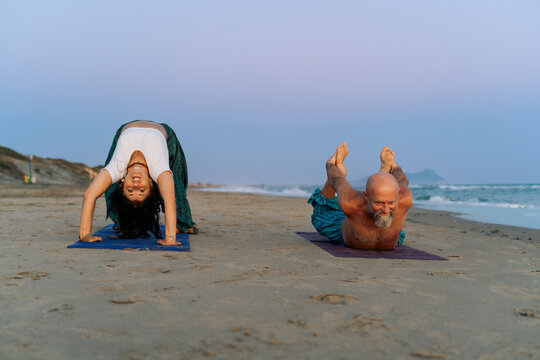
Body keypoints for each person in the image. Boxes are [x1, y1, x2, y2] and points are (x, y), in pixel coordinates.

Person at [79, 120, 197, 246]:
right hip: (165, 133)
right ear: (151, 184)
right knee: (176, 185)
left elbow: (89, 195)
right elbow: (170, 199)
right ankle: (183, 224)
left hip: (126, 128)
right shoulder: (159, 168)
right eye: (142, 191)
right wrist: (170, 238)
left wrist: (85, 235)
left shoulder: (116, 168)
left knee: (109, 190)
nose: (136, 186)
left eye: (130, 191)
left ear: (122, 182)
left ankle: (123, 222)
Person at [308, 142, 412, 250]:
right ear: (366, 196)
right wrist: (331, 165)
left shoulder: (404, 199)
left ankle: (383, 175)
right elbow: (337, 180)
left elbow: (402, 180)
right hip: (347, 231)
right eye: (378, 202)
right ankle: (341, 169)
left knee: (385, 216)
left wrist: (394, 166)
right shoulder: (350, 202)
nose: (385, 209)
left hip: (388, 229)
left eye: (391, 202)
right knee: (320, 215)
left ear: (397, 195)